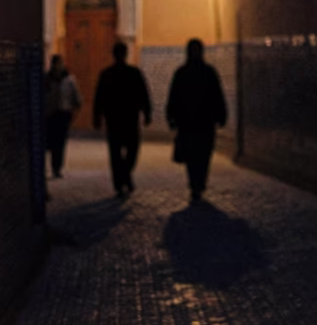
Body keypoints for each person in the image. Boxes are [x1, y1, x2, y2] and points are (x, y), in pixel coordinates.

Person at [166, 38, 227, 203]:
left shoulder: (183, 73)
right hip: (199, 123)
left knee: (199, 154)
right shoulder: (207, 72)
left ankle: (197, 183)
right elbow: (217, 95)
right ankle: (197, 183)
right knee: (198, 155)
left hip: (193, 122)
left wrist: (171, 117)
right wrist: (221, 116)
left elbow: (217, 96)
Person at [93, 41, 152, 198]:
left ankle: (122, 178)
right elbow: (144, 95)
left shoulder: (111, 74)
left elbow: (99, 98)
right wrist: (147, 114)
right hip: (125, 119)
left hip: (119, 119)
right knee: (127, 150)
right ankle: (122, 180)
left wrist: (97, 117)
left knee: (120, 152)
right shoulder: (130, 73)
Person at [44, 54, 81, 179]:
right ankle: (52, 166)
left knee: (60, 142)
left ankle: (57, 167)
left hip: (63, 114)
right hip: (50, 114)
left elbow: (76, 96)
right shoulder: (47, 79)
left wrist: (74, 109)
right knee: (50, 141)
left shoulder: (69, 79)